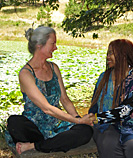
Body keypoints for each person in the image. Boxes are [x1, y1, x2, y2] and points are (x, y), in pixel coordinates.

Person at [5, 26, 94, 154]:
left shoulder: (54, 68)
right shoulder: (26, 74)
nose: (55, 48)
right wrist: (78, 121)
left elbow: (65, 100)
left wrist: (78, 120)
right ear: (40, 45)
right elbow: (46, 108)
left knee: (85, 131)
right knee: (14, 122)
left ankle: (34, 146)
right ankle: (45, 143)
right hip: (33, 127)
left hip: (57, 125)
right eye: (53, 43)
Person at [89, 39, 133, 158]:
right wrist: (91, 117)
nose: (108, 57)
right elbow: (95, 104)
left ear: (123, 56)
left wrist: (98, 118)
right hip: (107, 126)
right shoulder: (104, 77)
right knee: (108, 143)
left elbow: (126, 110)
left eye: (111, 53)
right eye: (108, 53)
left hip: (132, 126)